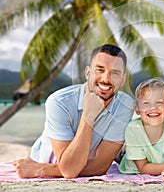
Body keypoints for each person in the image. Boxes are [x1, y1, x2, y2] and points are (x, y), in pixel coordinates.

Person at [13, 44, 134, 178]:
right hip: (48, 159)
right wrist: (88, 115)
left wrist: (41, 169)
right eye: (100, 70)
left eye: (115, 73)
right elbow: (70, 170)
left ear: (122, 79)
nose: (106, 79)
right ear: (88, 73)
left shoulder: (125, 106)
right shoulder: (59, 102)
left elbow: (99, 166)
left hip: (47, 166)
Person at [119, 78, 164, 182]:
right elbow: (143, 168)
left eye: (159, 102)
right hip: (135, 163)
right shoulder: (133, 129)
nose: (153, 107)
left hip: (163, 163)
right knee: (120, 154)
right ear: (137, 110)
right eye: (146, 103)